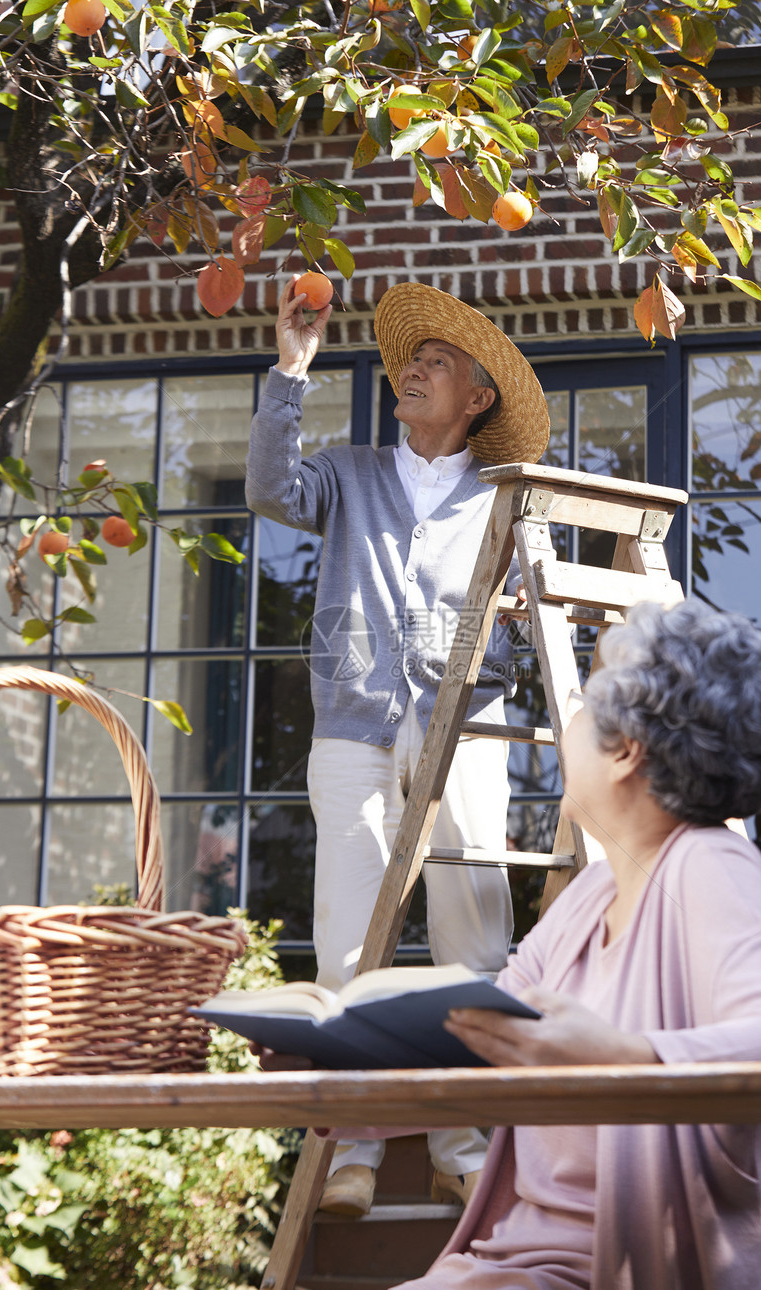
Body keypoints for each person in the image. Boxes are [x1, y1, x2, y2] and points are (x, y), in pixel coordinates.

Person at [273, 599, 761, 1287]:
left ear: (626, 749)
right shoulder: (587, 902)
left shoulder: (706, 865)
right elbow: (473, 1049)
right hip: (524, 1261)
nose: (561, 725)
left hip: (622, 1268)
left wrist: (625, 1060)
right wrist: (333, 1063)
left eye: (582, 704)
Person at [245, 276, 550, 1217]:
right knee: (348, 937)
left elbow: (542, 617)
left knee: (472, 937)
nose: (411, 373)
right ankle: (357, 1149)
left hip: (466, 731)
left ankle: (466, 1145)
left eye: (435, 365)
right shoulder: (349, 473)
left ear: (478, 399)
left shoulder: (512, 496)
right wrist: (292, 369)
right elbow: (266, 487)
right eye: (407, 363)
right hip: (353, 727)